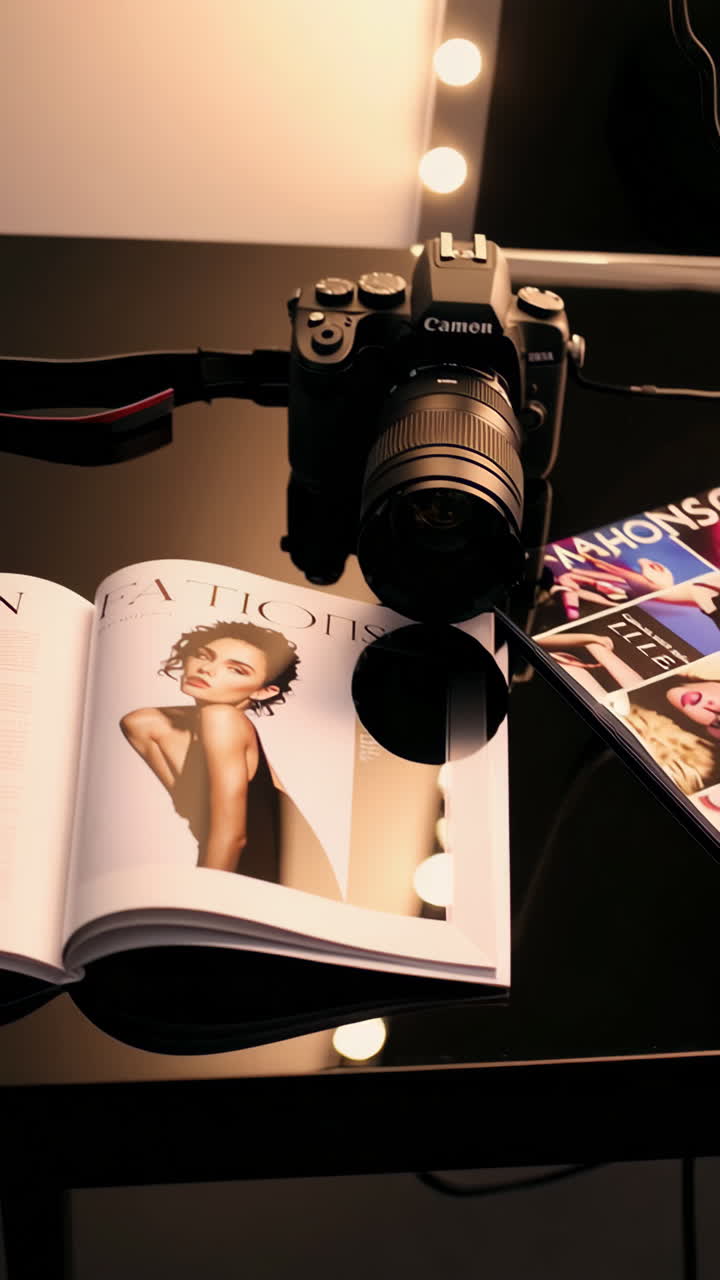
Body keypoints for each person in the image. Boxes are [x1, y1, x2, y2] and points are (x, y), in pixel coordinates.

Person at [120, 620, 299, 873]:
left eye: (237, 670)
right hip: (242, 870)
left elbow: (232, 836)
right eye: (204, 656)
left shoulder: (222, 718)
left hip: (274, 878)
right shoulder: (144, 725)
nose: (207, 669)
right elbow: (202, 823)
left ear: (263, 692)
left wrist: (201, 898)